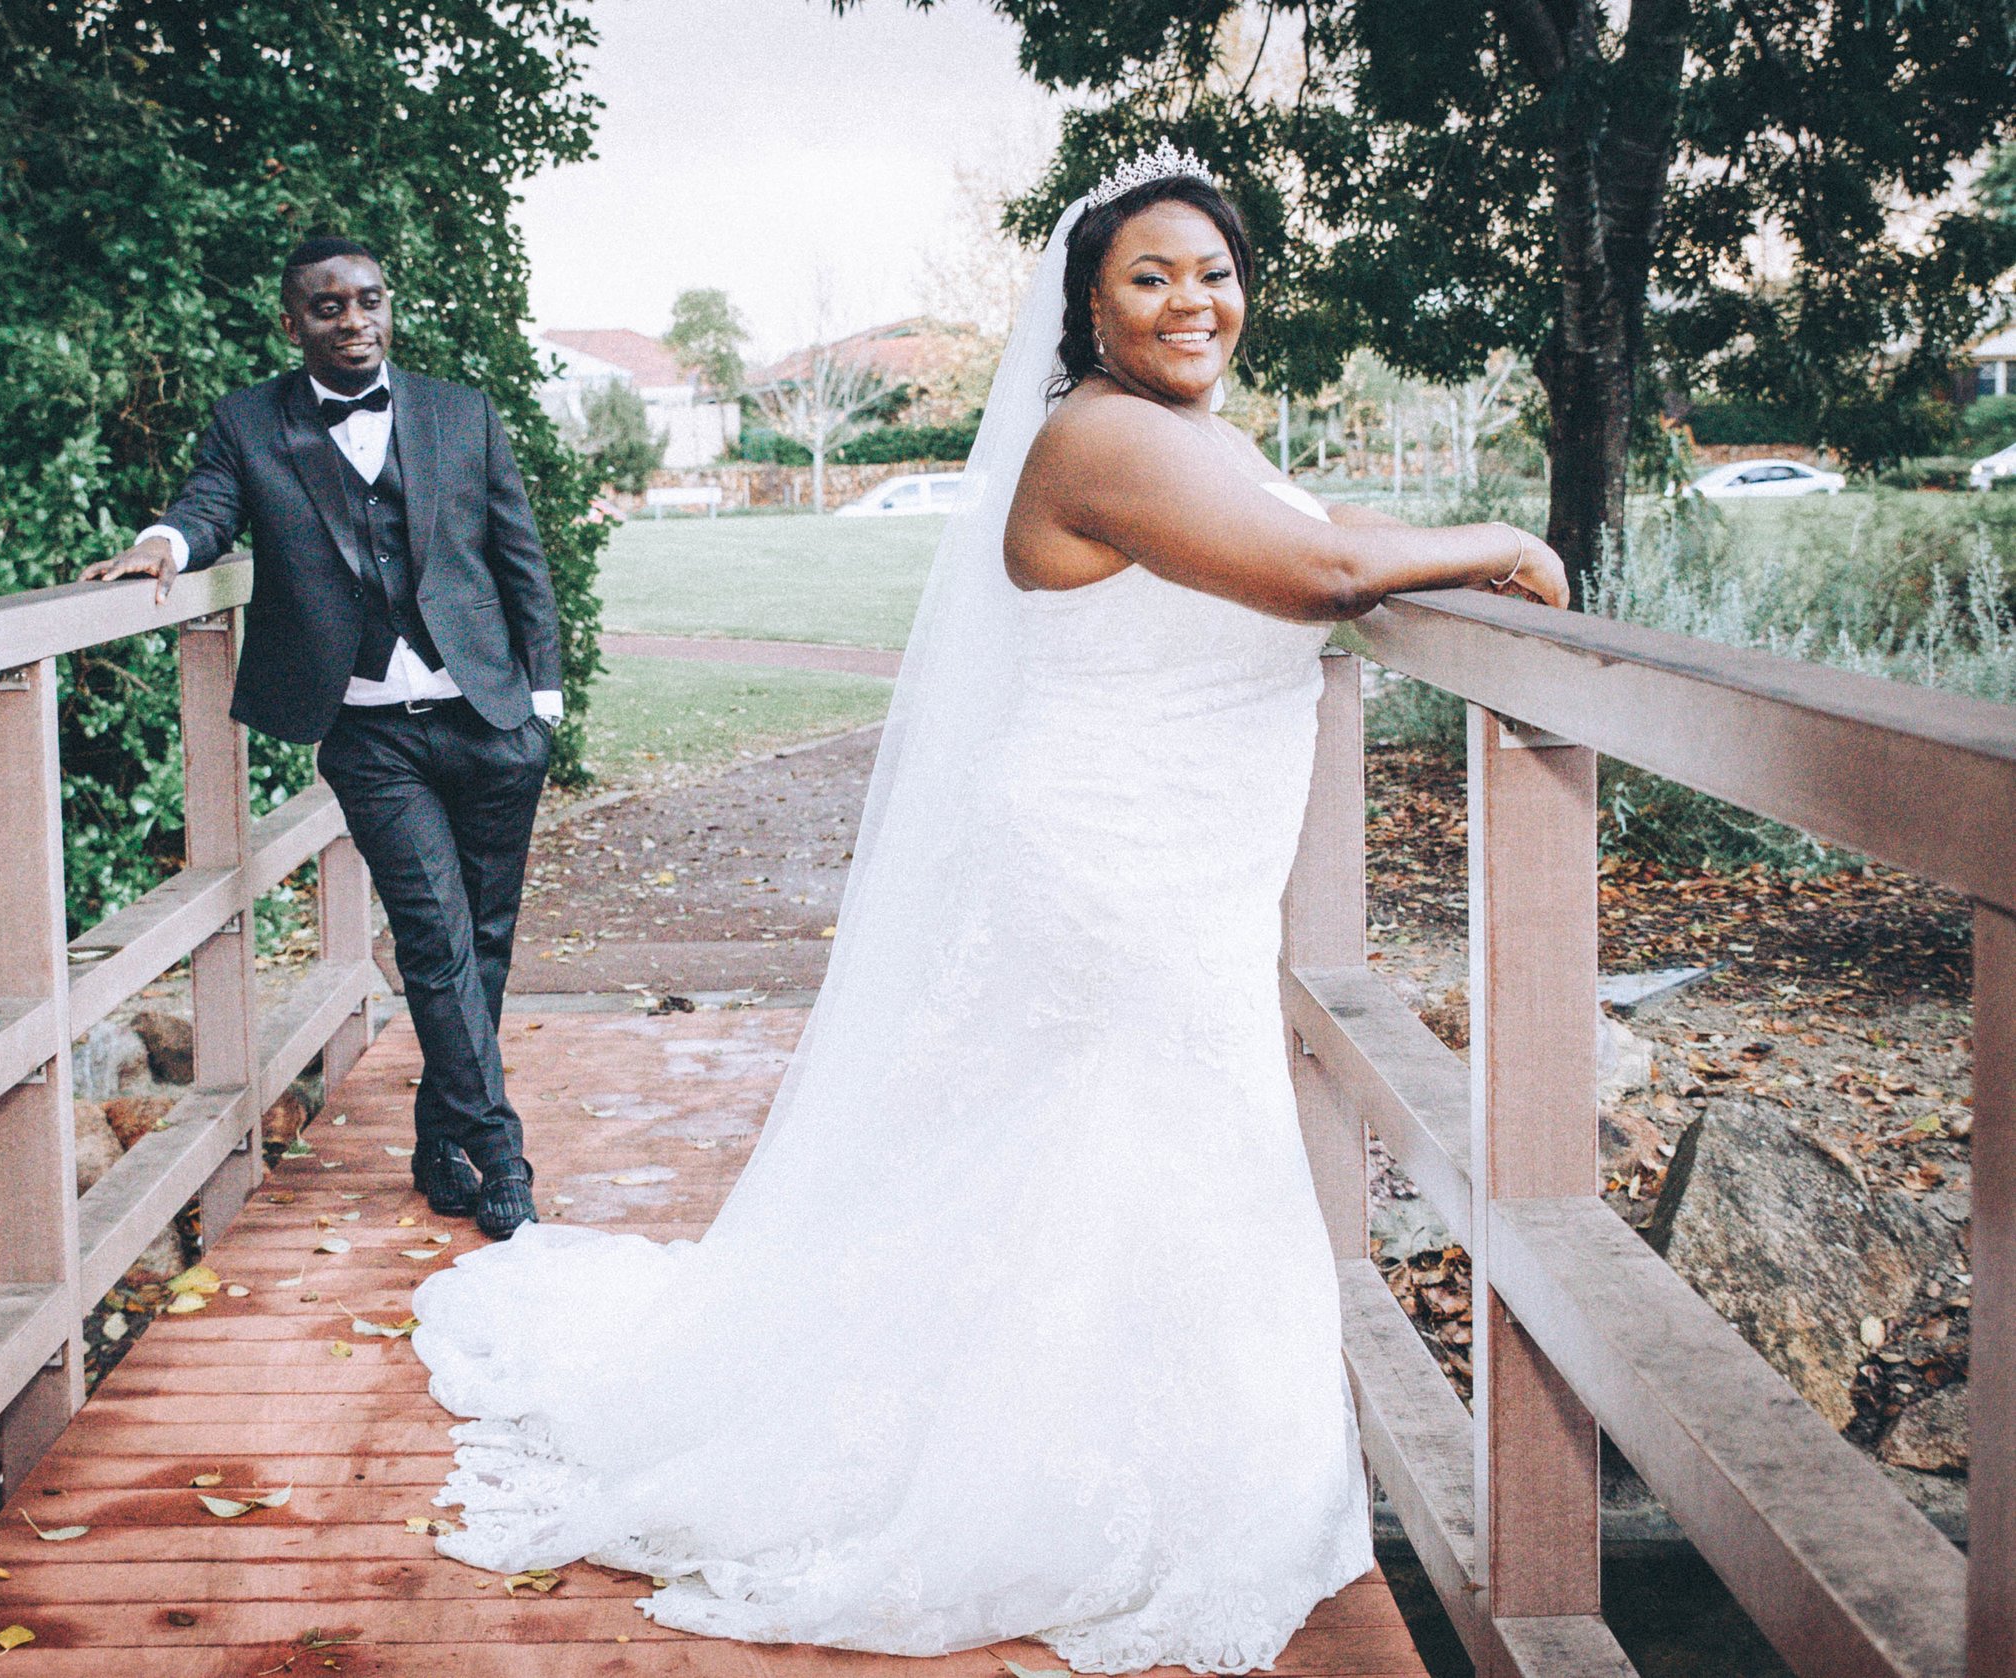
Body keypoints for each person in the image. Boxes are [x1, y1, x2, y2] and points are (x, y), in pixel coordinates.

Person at [404, 146, 1566, 1675]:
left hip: (1177, 853)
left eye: (1215, 272)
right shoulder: (1101, 435)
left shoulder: (1183, 435)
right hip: (1114, 856)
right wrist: (1506, 543)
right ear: (1089, 311)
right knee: (1158, 1139)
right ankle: (1082, 1488)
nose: (1192, 299)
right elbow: (1324, 567)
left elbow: (1306, 518)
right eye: (1150, 276)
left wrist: (1414, 539)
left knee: (1121, 1149)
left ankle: (1132, 1459)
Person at [80, 236, 564, 1242]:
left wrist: (543, 706)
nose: (353, 321)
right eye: (328, 307)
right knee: (434, 937)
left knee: (483, 943)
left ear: (388, 306)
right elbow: (209, 505)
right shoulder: (249, 422)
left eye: (368, 301)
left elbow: (520, 554)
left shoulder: (460, 412)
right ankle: (501, 1156)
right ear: (291, 321)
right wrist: (162, 546)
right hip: (368, 732)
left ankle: (441, 1141)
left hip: (488, 717)